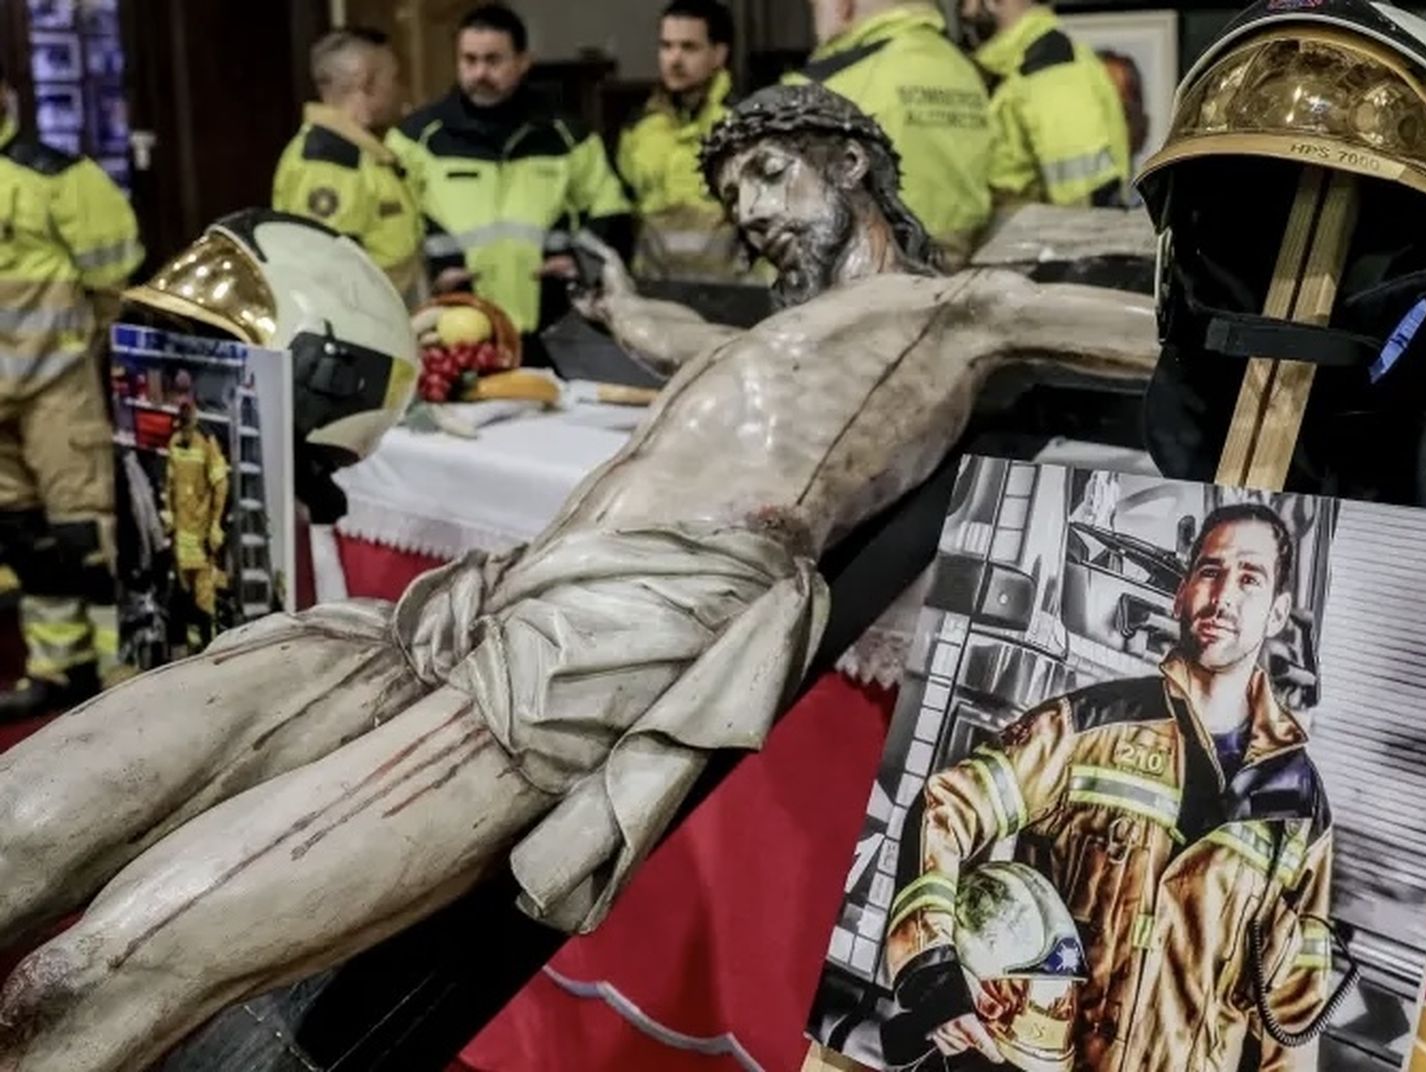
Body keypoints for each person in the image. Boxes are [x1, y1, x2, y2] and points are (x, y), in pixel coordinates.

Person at [0, 84, 1161, 1072]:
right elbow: (659, 330)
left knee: (95, 974)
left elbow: (1153, 328)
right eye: (735, 194)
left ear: (851, 162)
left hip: (581, 653)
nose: (752, 213)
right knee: (27, 821)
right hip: (470, 609)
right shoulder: (757, 341)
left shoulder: (955, 309)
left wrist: (1251, 293)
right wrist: (606, 298)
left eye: (768, 175)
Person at [888, 503, 1335, 1071]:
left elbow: (1295, 1006)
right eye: (1209, 571)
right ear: (1181, 595)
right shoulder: (1086, 728)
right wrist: (935, 975)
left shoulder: (1298, 802)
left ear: (1277, 613)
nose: (1223, 596)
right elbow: (947, 806)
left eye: (1249, 578)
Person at [0, 61, 142, 720]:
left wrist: (87, 343)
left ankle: (121, 671)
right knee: (21, 537)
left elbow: (114, 274)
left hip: (55, 385)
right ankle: (58, 666)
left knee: (88, 534)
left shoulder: (58, 177)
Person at [387, 3, 633, 361]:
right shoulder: (415, 141)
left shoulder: (566, 137)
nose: (479, 72)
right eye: (469, 60)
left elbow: (612, 211)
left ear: (523, 61)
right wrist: (430, 275)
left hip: (553, 327)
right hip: (452, 328)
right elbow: (393, 231)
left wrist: (577, 262)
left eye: (493, 60)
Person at [789, 0, 992, 266]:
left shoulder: (820, 88)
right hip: (959, 270)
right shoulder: (964, 70)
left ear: (842, 6)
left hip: (866, 279)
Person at [272, 27, 424, 304]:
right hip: (363, 324)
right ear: (367, 83)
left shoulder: (363, 154)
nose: (400, 89)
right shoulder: (330, 160)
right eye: (394, 78)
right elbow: (328, 278)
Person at [616, 0, 752, 283]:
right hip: (653, 293)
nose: (675, 59)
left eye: (689, 47)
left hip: (733, 294)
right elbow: (622, 214)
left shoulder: (746, 126)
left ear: (719, 54)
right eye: (667, 46)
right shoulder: (638, 129)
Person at [958, 0, 1129, 218]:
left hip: (1040, 236)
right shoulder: (1016, 68)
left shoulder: (1049, 71)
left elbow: (1083, 204)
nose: (964, 11)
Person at [161, 397, 230, 651]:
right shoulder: (174, 443)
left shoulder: (207, 444)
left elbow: (220, 484)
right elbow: (169, 484)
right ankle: (192, 650)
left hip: (201, 535)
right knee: (183, 595)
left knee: (204, 598)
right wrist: (168, 512)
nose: (185, 431)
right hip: (181, 535)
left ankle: (209, 649)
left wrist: (216, 524)